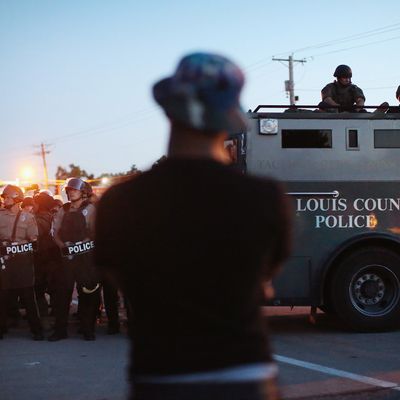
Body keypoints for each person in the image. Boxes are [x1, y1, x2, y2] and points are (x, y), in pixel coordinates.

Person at [95, 52, 291, 400]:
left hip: (160, 378)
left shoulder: (119, 203)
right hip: (247, 377)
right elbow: (265, 280)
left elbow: (119, 277)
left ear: (170, 110)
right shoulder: (265, 197)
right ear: (228, 117)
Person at [49, 178, 100, 341]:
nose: (70, 192)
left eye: (74, 190)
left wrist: (85, 243)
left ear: (83, 192)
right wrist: (63, 245)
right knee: (62, 295)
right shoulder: (63, 210)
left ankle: (87, 329)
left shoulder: (91, 209)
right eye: (69, 190)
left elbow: (96, 232)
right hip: (67, 259)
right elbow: (54, 232)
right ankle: (60, 330)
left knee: (87, 295)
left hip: (85, 258)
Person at [0, 185, 43, 340]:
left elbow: (34, 239)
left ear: (17, 199)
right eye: (4, 197)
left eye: (8, 197)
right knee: (2, 296)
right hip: (5, 261)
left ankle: (37, 330)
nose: (5, 200)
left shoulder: (28, 217)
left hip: (23, 261)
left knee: (28, 297)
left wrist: (23, 244)